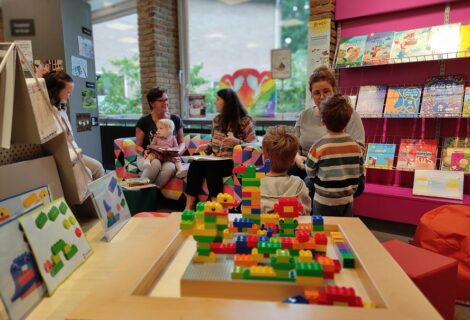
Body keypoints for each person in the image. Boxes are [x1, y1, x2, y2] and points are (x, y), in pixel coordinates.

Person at [289, 65, 365, 197]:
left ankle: (312, 215)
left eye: (326, 91)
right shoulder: (304, 116)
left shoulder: (349, 115)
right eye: (317, 93)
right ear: (311, 94)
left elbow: (359, 150)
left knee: (309, 184)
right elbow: (293, 144)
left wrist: (328, 159)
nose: (322, 96)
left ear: (334, 91)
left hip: (339, 169)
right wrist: (296, 156)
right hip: (308, 165)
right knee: (287, 174)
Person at [184, 88, 256, 210]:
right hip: (216, 158)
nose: (215, 102)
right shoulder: (217, 120)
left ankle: (216, 206)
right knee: (195, 164)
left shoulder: (245, 121)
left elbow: (254, 146)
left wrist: (237, 142)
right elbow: (214, 142)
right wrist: (208, 146)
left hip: (233, 161)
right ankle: (189, 206)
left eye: (218, 99)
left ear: (227, 102)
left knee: (213, 168)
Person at [305, 94, 364, 216]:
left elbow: (309, 170)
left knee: (321, 228)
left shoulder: (319, 146)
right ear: (347, 120)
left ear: (323, 120)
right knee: (344, 228)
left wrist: (318, 180)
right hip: (347, 199)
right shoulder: (355, 146)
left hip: (323, 200)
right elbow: (360, 172)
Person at [44, 70, 104, 181]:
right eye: (68, 92)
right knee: (88, 174)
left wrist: (77, 152)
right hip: (63, 156)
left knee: (98, 167)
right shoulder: (46, 113)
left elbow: (70, 139)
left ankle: (100, 198)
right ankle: (89, 198)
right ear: (56, 91)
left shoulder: (61, 110)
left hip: (74, 152)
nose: (70, 95)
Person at [135, 87, 185, 187]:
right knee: (155, 163)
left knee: (170, 167)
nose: (165, 102)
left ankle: (152, 194)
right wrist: (144, 152)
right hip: (149, 157)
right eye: (161, 100)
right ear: (152, 104)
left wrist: (178, 151)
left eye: (166, 99)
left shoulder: (175, 119)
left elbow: (182, 142)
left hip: (168, 158)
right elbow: (137, 147)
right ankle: (140, 191)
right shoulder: (143, 122)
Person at [260, 125, 311, 215]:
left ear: (264, 158)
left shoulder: (254, 185)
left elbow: (246, 210)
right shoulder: (299, 184)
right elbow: (306, 212)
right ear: (292, 160)